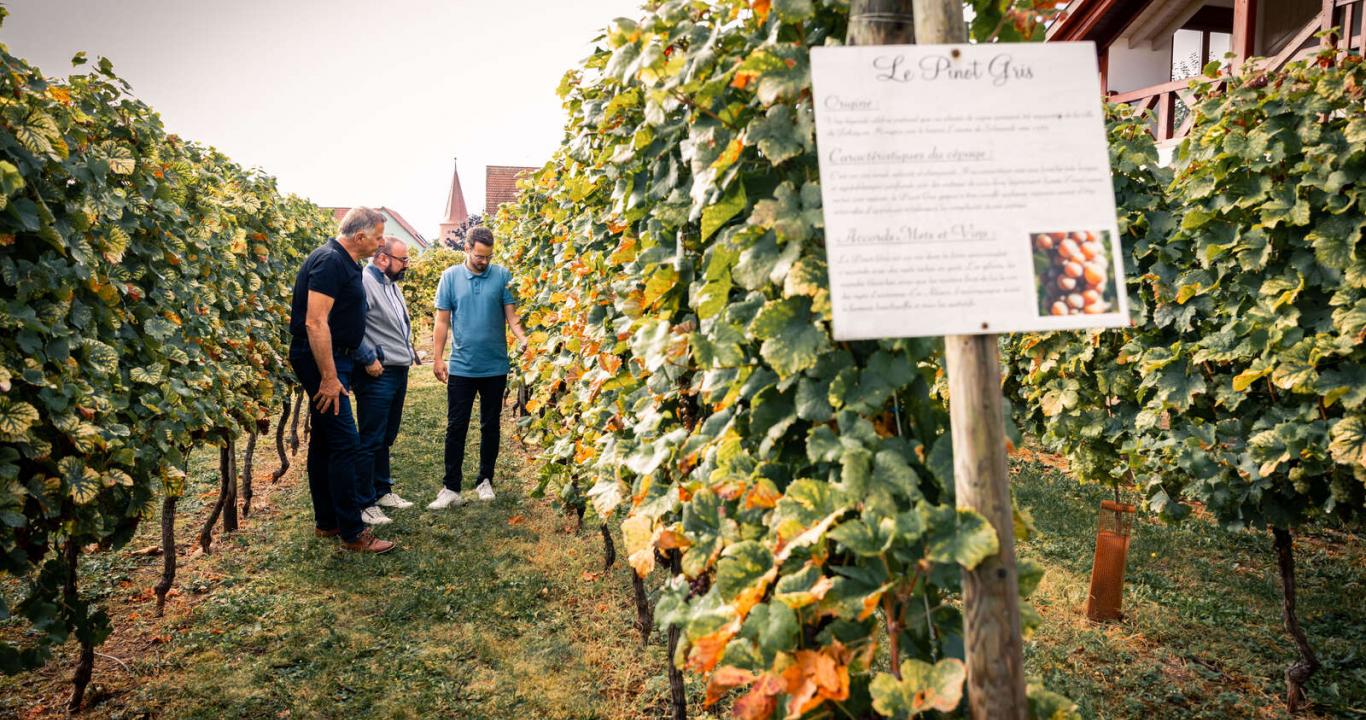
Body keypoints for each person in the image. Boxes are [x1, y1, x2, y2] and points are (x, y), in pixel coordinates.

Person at [287, 207, 395, 553]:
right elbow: (315, 323)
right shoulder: (330, 261)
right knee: (346, 442)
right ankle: (353, 533)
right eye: (378, 237)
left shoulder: (343, 262)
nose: (381, 244)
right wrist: (330, 378)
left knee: (325, 440)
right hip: (324, 361)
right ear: (359, 237)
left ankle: (328, 522)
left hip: (338, 358)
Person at [428, 226, 527, 509]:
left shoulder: (502, 276)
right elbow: (442, 321)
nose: (484, 261)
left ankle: (485, 480)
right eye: (480, 256)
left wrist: (525, 340)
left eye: (488, 256)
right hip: (461, 367)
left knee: (490, 425)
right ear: (467, 249)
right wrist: (437, 358)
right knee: (456, 426)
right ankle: (450, 487)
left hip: (495, 366)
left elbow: (513, 317)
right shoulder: (449, 277)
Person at [352, 236, 418, 525]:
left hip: (397, 369)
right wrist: (368, 357)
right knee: (370, 438)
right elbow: (351, 326)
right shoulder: (365, 283)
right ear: (382, 259)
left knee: (385, 435)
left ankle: (382, 490)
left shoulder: (389, 285)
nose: (406, 265)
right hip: (379, 373)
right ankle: (364, 503)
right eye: (402, 260)